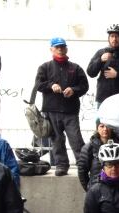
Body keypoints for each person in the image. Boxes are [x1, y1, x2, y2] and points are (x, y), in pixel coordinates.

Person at [35, 37, 89, 176]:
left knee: (76, 140)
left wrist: (74, 90)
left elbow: (84, 86)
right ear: (51, 49)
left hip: (70, 111)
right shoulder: (44, 67)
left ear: (66, 48)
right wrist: (50, 85)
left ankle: (84, 165)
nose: (60, 49)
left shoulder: (75, 68)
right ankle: (61, 165)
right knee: (57, 141)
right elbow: (38, 85)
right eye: (57, 47)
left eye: (62, 47)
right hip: (51, 111)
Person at [86, 24, 119, 107]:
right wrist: (100, 60)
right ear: (108, 38)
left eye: (117, 36)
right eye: (112, 36)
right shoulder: (101, 53)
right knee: (102, 120)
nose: (114, 39)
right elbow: (90, 72)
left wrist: (117, 75)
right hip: (103, 100)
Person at [77, 120, 119, 191]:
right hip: (97, 188)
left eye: (108, 126)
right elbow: (82, 171)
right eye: (102, 126)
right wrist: (90, 189)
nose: (105, 129)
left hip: (118, 188)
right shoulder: (89, 147)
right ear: (97, 128)